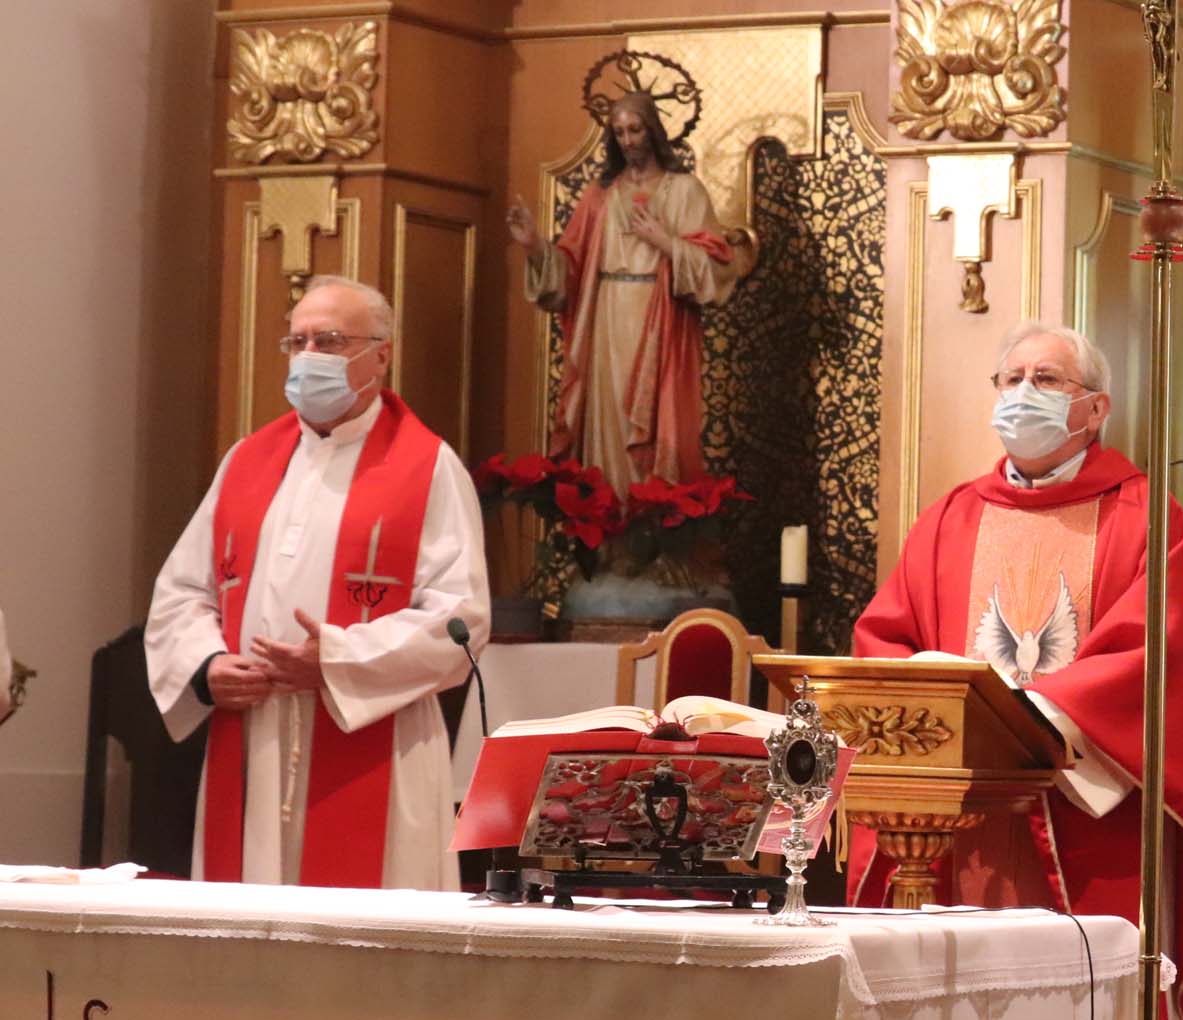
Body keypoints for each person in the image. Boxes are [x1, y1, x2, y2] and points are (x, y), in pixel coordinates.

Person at [851, 321, 1183, 1020]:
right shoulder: (950, 518)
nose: (1022, 394)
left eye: (1046, 379)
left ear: (1095, 408)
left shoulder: (1144, 516)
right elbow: (884, 639)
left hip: (1087, 811)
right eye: (1011, 379)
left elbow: (1157, 649)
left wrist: (1035, 714)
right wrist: (948, 702)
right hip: (962, 824)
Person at [147, 276, 490, 890]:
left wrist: (334, 661)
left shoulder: (428, 466)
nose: (308, 357)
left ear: (380, 355)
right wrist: (206, 667)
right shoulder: (247, 461)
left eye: (329, 341)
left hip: (374, 739)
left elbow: (461, 617)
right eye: (297, 341)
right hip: (252, 736)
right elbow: (184, 591)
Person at [506, 91, 739, 494]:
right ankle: (609, 516)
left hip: (661, 323)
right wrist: (535, 246)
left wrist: (665, 242)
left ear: (653, 131)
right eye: (620, 132)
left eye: (635, 130)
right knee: (609, 421)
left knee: (654, 424)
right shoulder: (601, 195)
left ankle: (651, 514)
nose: (628, 140)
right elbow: (571, 271)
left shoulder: (685, 191)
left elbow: (719, 270)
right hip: (606, 321)